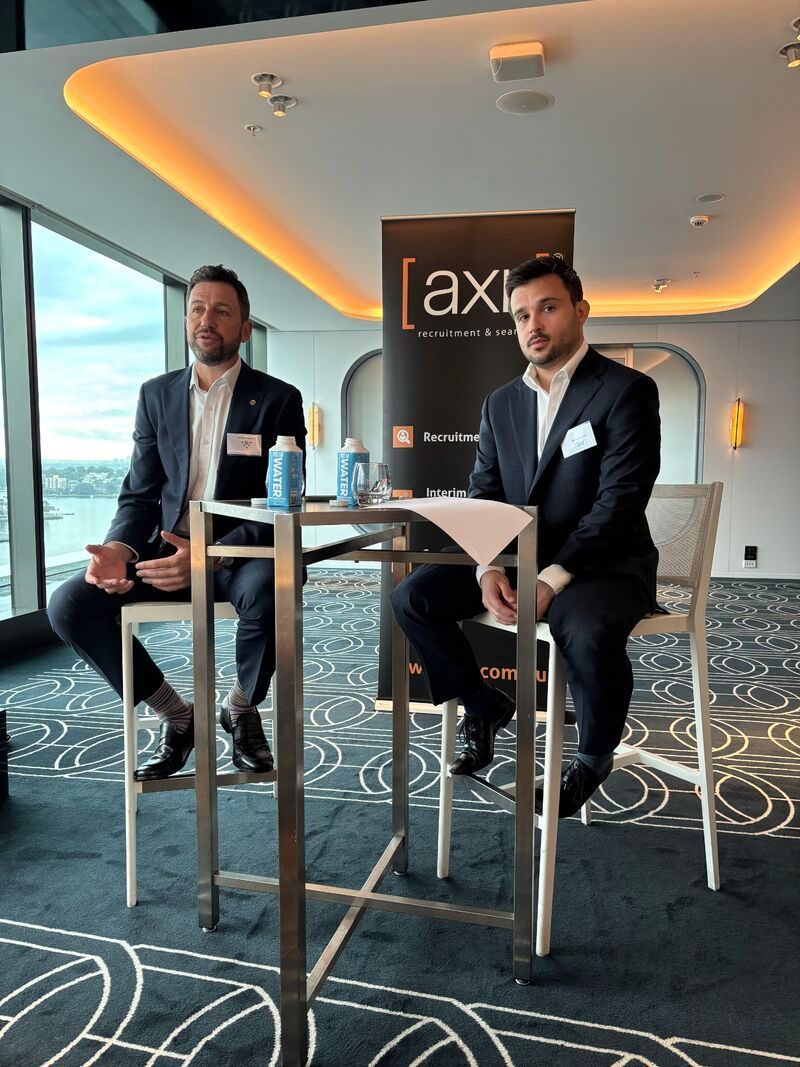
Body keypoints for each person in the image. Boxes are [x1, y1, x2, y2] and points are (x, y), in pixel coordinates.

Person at [391, 256, 661, 817]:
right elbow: (484, 495)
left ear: (581, 311)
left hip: (605, 562)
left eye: (548, 308)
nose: (533, 325)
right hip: (518, 555)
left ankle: (592, 757)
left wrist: (553, 577)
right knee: (413, 597)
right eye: (520, 315)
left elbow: (619, 502)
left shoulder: (626, 390)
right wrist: (487, 566)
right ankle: (482, 703)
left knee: (581, 628)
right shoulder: (501, 402)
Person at [48, 264, 306, 780]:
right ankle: (177, 715)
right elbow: (140, 492)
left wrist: (211, 555)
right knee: (70, 605)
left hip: (239, 553)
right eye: (197, 309)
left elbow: (284, 501)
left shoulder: (278, 398)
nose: (206, 320)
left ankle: (240, 708)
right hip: (165, 550)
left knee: (279, 583)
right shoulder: (156, 394)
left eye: (221, 311)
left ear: (245, 329)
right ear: (186, 320)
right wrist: (118, 549)